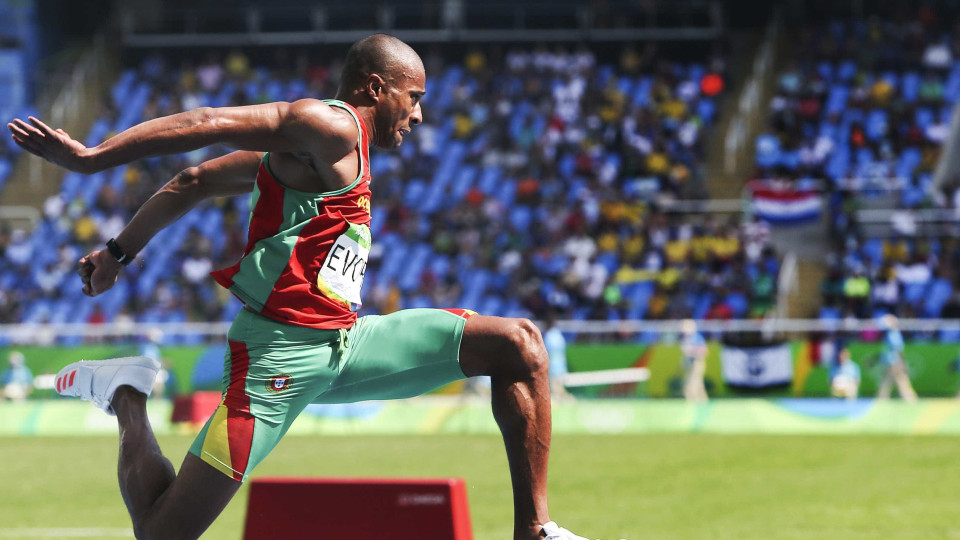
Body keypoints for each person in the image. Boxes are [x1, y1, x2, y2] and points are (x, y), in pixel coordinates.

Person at [9, 35, 592, 540]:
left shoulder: (308, 161)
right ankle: (126, 396)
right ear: (377, 87)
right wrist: (91, 160)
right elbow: (203, 125)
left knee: (518, 344)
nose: (418, 116)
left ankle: (535, 531)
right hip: (275, 362)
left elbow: (192, 183)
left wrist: (117, 252)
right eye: (414, 99)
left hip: (348, 344)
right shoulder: (331, 125)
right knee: (163, 532)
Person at [876, 314, 917, 402]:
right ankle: (910, 399)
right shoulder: (889, 334)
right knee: (895, 381)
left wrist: (903, 362)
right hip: (891, 362)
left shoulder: (893, 334)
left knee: (897, 381)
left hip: (894, 362)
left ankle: (910, 399)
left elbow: (899, 349)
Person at [542, 314, 572, 401]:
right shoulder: (559, 335)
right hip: (561, 365)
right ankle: (569, 400)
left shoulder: (549, 336)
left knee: (556, 390)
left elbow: (547, 352)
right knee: (559, 389)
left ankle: (569, 401)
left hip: (553, 366)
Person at [679, 319, 708, 402]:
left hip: (696, 362)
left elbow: (704, 350)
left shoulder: (697, 337)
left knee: (694, 384)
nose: (683, 329)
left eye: (685, 326)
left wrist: (692, 351)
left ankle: (696, 401)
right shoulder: (685, 338)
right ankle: (699, 401)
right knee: (693, 383)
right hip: (689, 362)